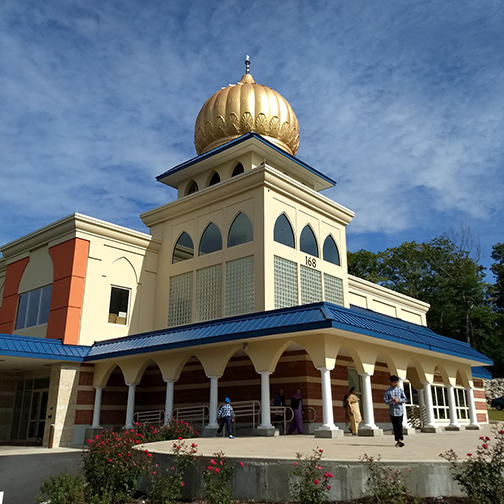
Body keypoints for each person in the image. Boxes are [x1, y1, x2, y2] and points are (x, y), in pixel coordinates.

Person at [384, 375, 407, 447]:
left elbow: (405, 399)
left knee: (400, 425)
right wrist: (392, 400)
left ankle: (400, 439)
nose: (396, 383)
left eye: (397, 382)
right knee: (395, 426)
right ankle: (398, 440)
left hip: (400, 410)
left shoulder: (400, 390)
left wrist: (399, 400)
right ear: (391, 382)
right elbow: (385, 401)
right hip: (392, 411)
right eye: (394, 382)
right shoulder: (387, 391)